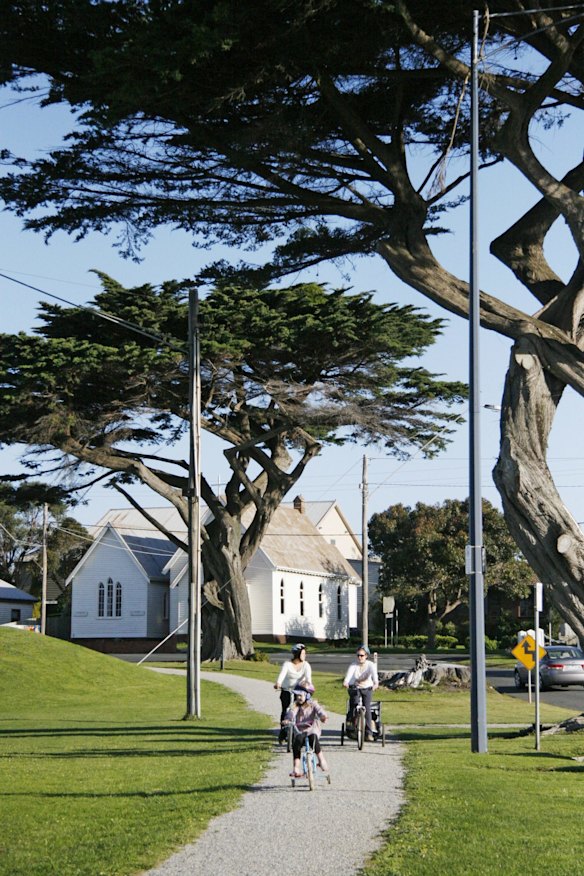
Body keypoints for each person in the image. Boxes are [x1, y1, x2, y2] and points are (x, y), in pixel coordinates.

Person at [283, 685, 329, 776]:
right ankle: (296, 767)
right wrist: (287, 719)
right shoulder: (295, 705)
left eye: (301, 695)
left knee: (313, 739)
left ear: (307, 695)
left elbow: (320, 711)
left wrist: (323, 717)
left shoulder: (313, 704)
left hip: (312, 729)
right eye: (297, 696)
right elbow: (291, 713)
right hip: (300, 731)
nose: (298, 698)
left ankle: (321, 760)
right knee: (297, 742)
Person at [274, 643, 312, 743]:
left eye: (305, 653)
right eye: (303, 653)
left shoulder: (306, 665)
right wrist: (278, 683)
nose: (305, 655)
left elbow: (308, 679)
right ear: (296, 654)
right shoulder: (287, 664)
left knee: (300, 711)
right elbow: (282, 675)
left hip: (299, 692)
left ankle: (300, 732)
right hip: (287, 690)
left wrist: (307, 685)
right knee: (285, 710)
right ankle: (283, 732)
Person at [343, 645, 379, 742]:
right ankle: (351, 725)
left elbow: (375, 676)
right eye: (358, 655)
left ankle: (369, 733)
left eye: (362, 655)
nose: (360, 657)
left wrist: (376, 684)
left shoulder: (370, 665)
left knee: (367, 708)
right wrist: (346, 682)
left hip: (367, 688)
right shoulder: (353, 665)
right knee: (354, 704)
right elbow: (349, 675)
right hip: (355, 688)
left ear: (366, 656)